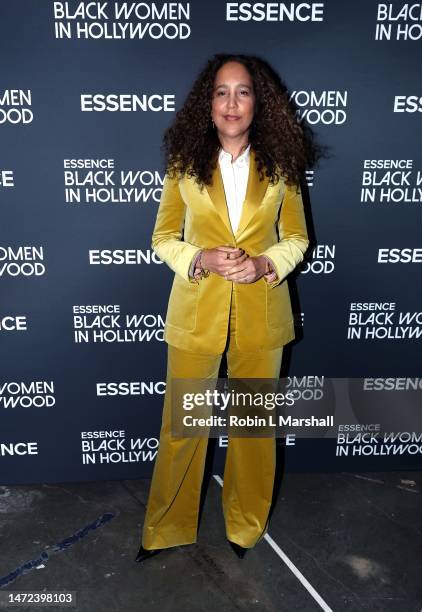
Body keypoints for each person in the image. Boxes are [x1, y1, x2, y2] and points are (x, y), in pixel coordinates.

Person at [136, 53, 321, 563]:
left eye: (243, 91)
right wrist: (199, 257)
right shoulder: (183, 165)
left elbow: (299, 238)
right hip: (197, 314)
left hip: (262, 315)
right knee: (182, 431)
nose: (232, 102)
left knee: (254, 431)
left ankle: (245, 525)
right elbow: (163, 237)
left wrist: (264, 266)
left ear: (259, 104)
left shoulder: (281, 165)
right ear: (208, 102)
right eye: (222, 91)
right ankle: (166, 528)